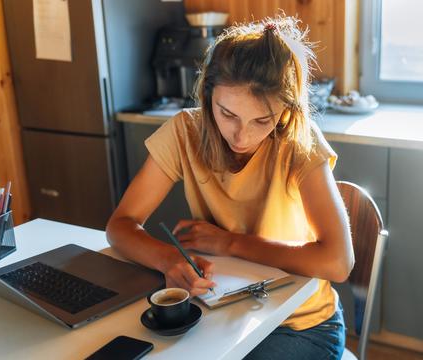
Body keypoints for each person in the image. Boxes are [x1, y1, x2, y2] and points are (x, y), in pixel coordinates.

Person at [106, 15, 354, 359]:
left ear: (285, 109)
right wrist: (168, 260)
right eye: (227, 114)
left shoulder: (299, 141)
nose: (242, 136)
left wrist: (230, 243)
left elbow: (338, 262)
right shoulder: (184, 131)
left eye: (261, 121)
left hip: (301, 324)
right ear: (208, 95)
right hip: (220, 313)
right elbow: (120, 226)